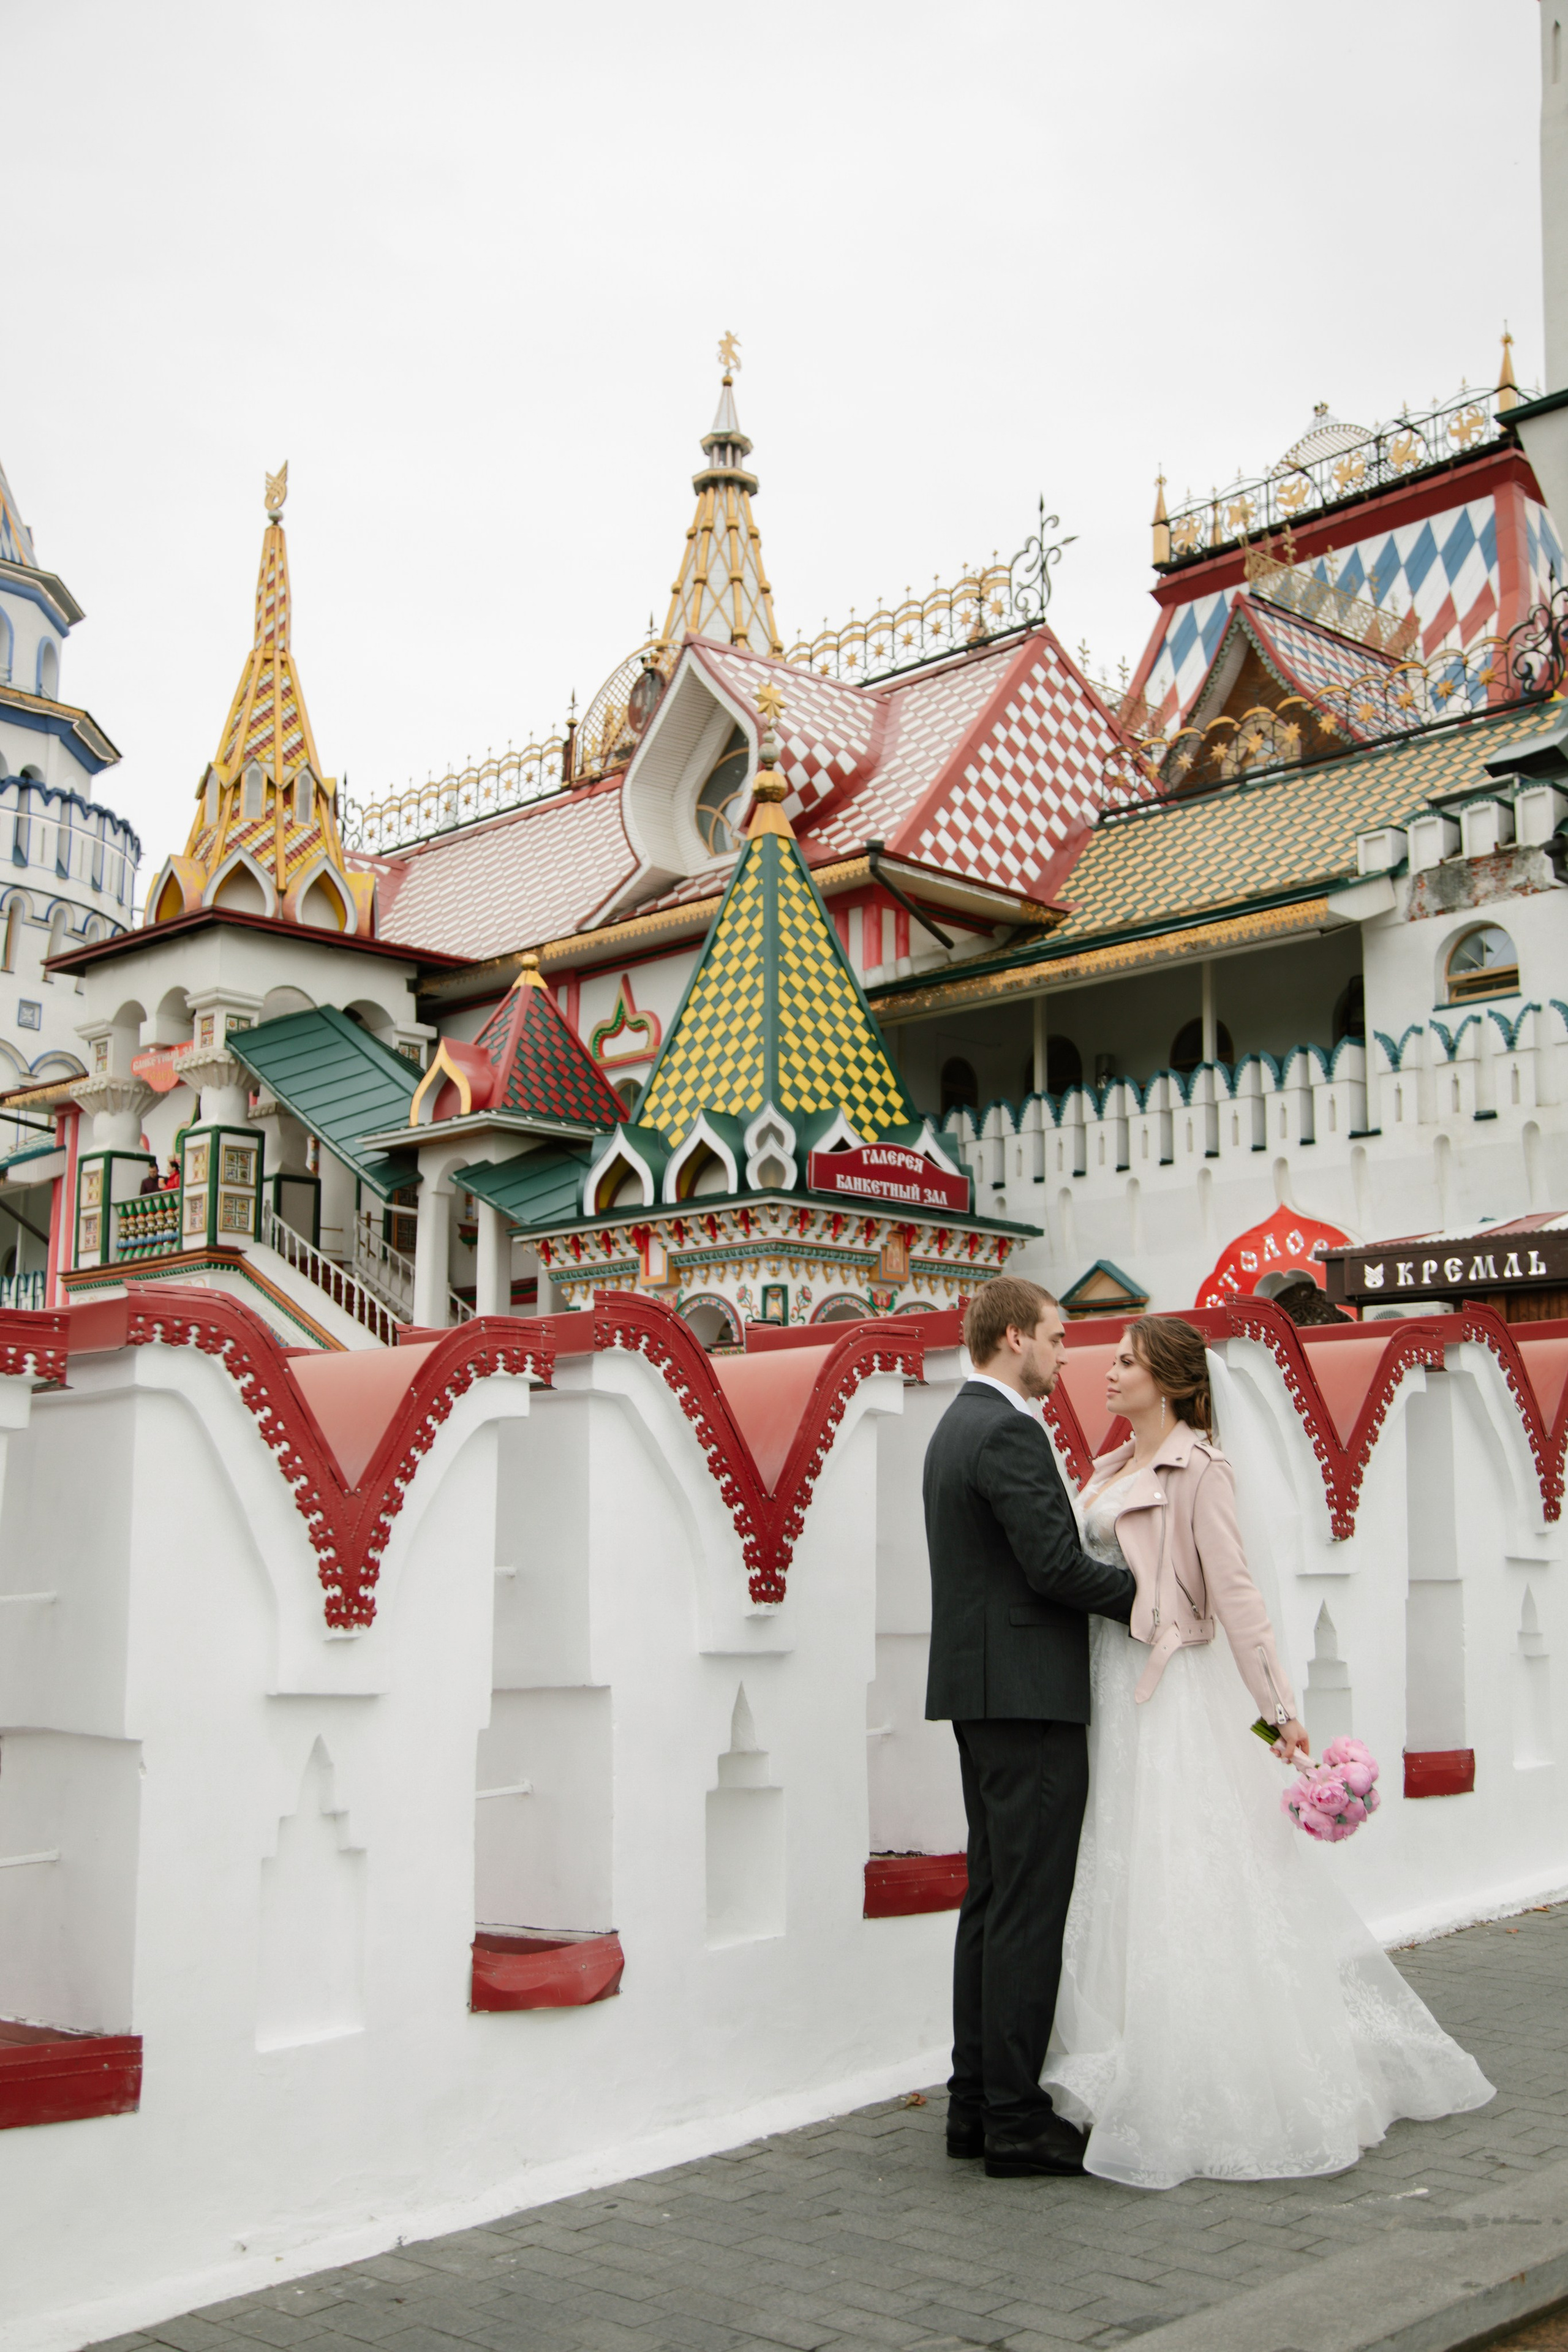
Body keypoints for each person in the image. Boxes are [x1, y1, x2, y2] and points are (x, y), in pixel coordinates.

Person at [1042, 1312, 1493, 2189]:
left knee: (1184, 1864)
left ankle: (1205, 2071)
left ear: (1169, 1382)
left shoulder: (1201, 1469)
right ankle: (1123, 2046)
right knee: (1125, 1860)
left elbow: (1237, 1593)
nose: (1109, 1373)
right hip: (1110, 1690)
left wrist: (1280, 1708)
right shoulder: (1108, 1467)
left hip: (1170, 1688)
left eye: (1128, 1363)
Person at [923, 1276, 1137, 2180]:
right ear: (1014, 1337)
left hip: (983, 1694)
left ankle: (974, 2103)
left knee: (992, 1898)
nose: (1065, 1353)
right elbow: (1053, 1566)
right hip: (1030, 1696)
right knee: (1028, 1907)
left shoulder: (954, 1425)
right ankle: (1016, 2117)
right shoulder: (1008, 1429)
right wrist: (1152, 1596)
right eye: (1056, 1336)